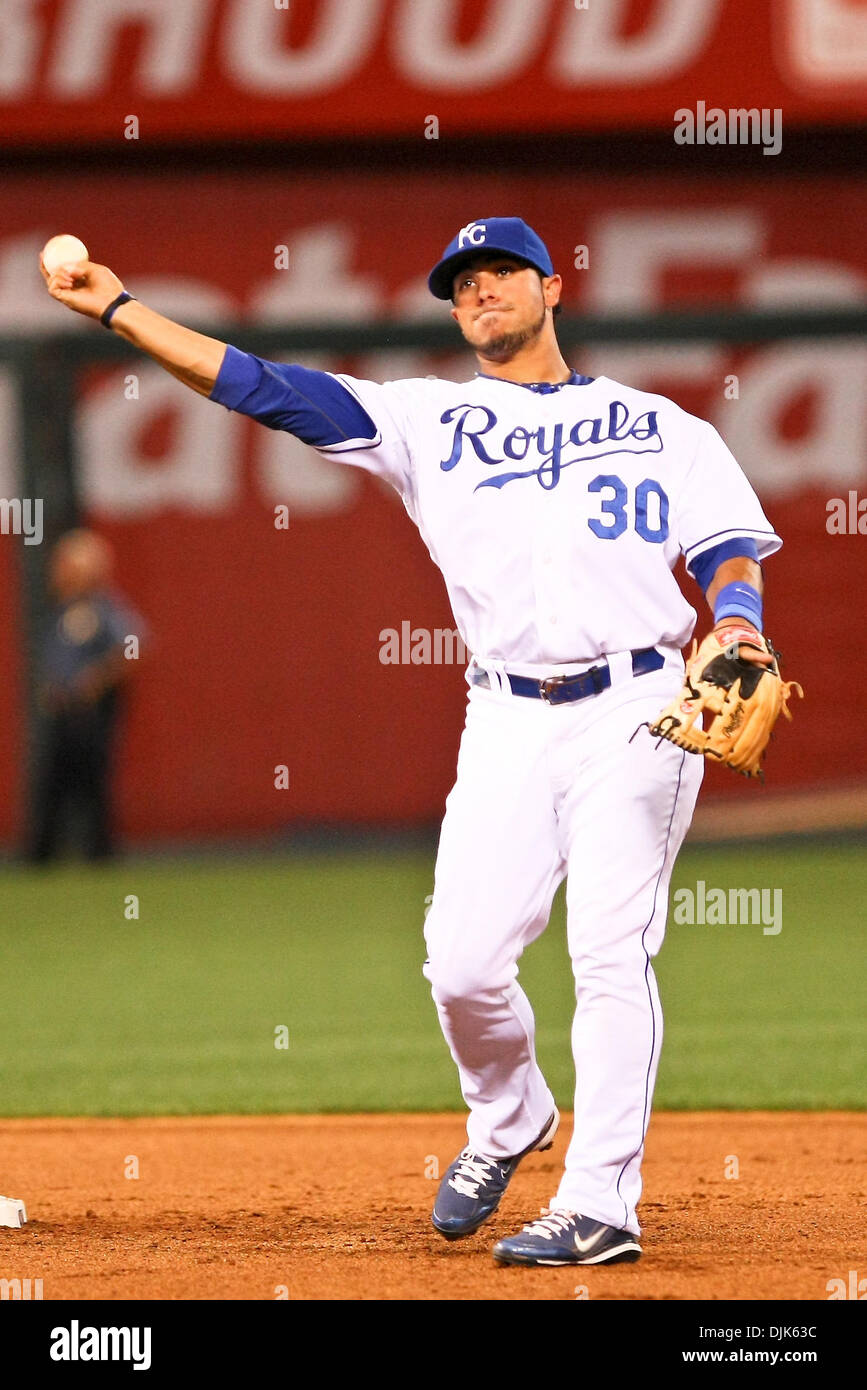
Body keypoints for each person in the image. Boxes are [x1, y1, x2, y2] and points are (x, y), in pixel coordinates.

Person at [41, 217, 780, 1265]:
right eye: (462, 284)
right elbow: (260, 385)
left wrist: (740, 622)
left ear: (550, 286)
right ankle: (510, 1115)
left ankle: (603, 1202)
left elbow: (729, 546)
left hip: (640, 706)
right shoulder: (427, 421)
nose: (480, 292)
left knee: (610, 950)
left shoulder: (661, 426)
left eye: (500, 275)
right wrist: (122, 312)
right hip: (507, 714)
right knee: (462, 966)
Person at [28, 528, 143, 862]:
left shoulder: (104, 609)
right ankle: (43, 853)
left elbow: (135, 646)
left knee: (92, 779)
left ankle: (99, 851)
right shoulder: (62, 610)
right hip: (63, 710)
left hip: (92, 712)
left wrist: (96, 680)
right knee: (54, 778)